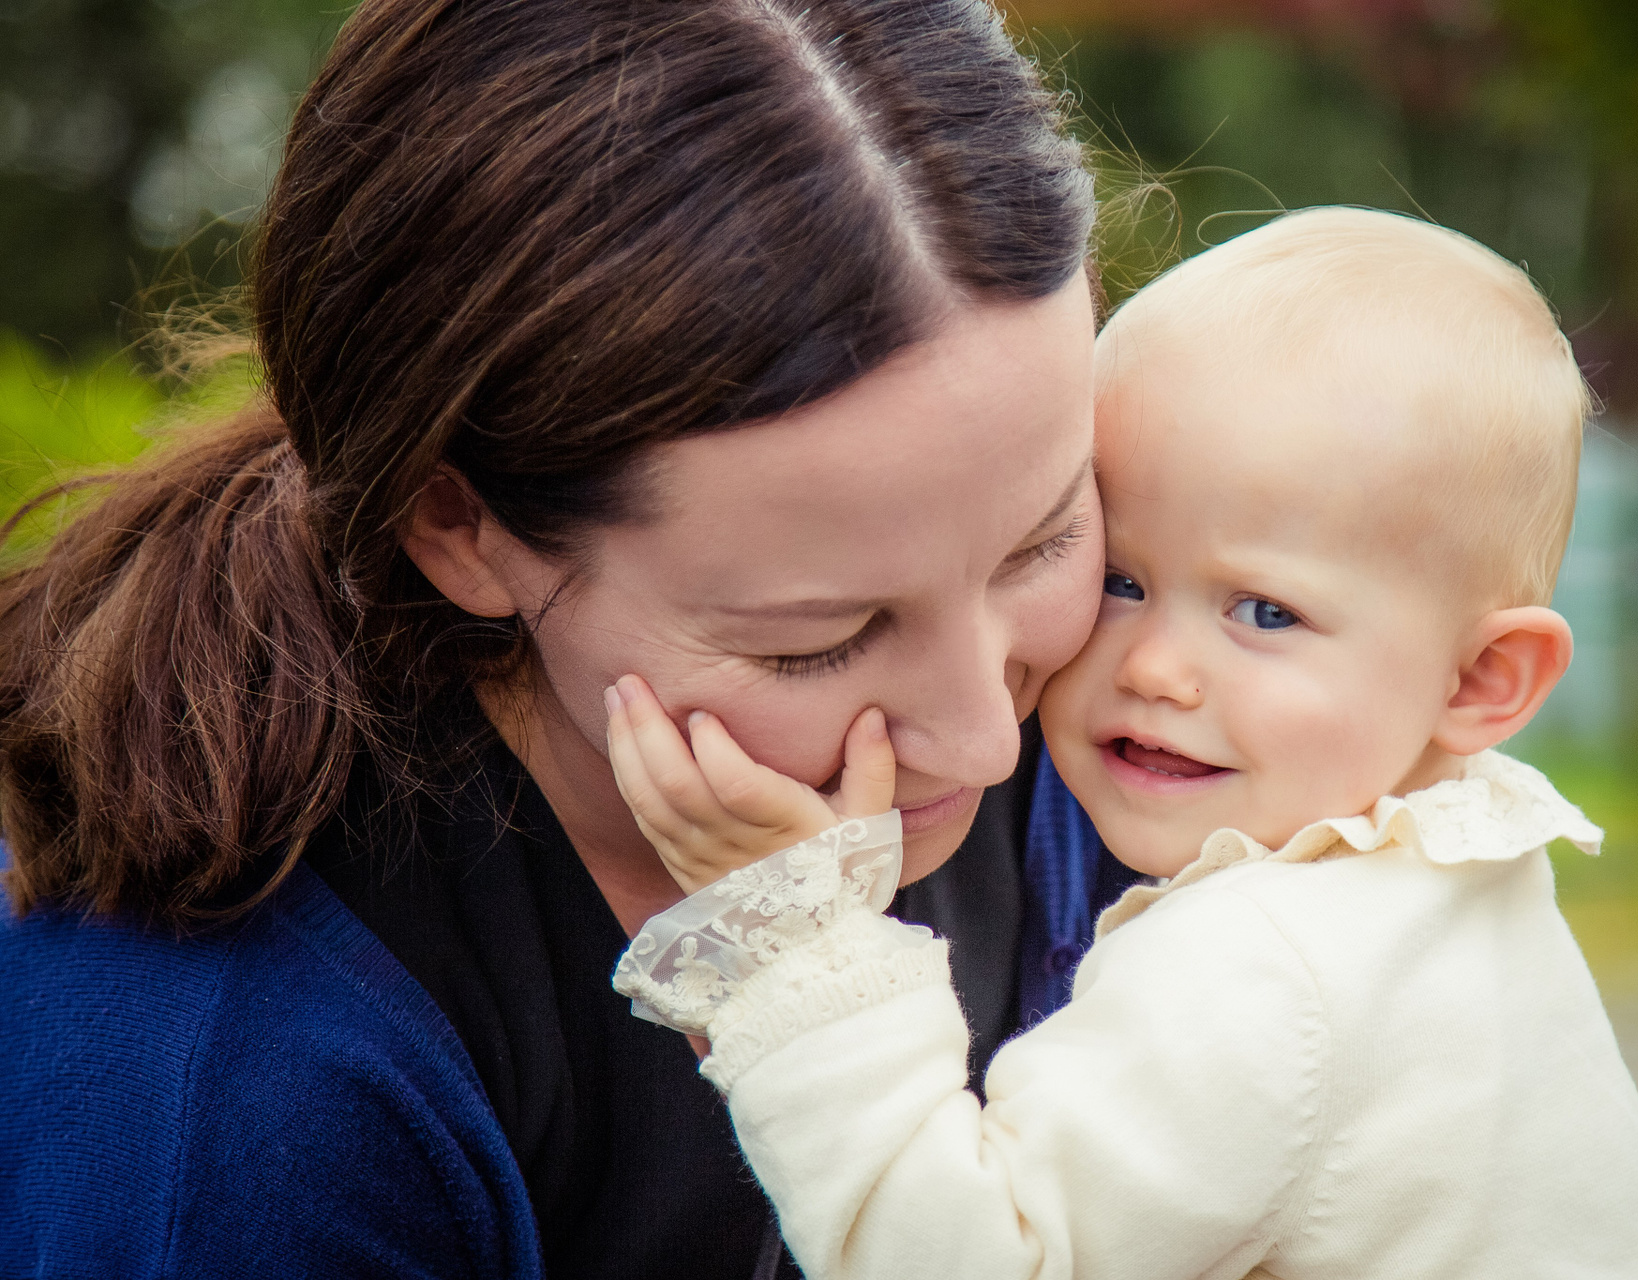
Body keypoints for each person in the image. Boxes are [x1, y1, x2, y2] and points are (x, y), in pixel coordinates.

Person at [0, 0, 1129, 1274]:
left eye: (1046, 539)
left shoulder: (1162, 717)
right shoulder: (245, 1100)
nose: (986, 741)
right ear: (459, 527)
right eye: (818, 641)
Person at [606, 208, 1638, 1279]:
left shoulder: (1267, 967)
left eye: (1265, 612)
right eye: (1123, 580)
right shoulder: (1440, 886)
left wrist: (798, 944)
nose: (1153, 668)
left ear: (1480, 680)